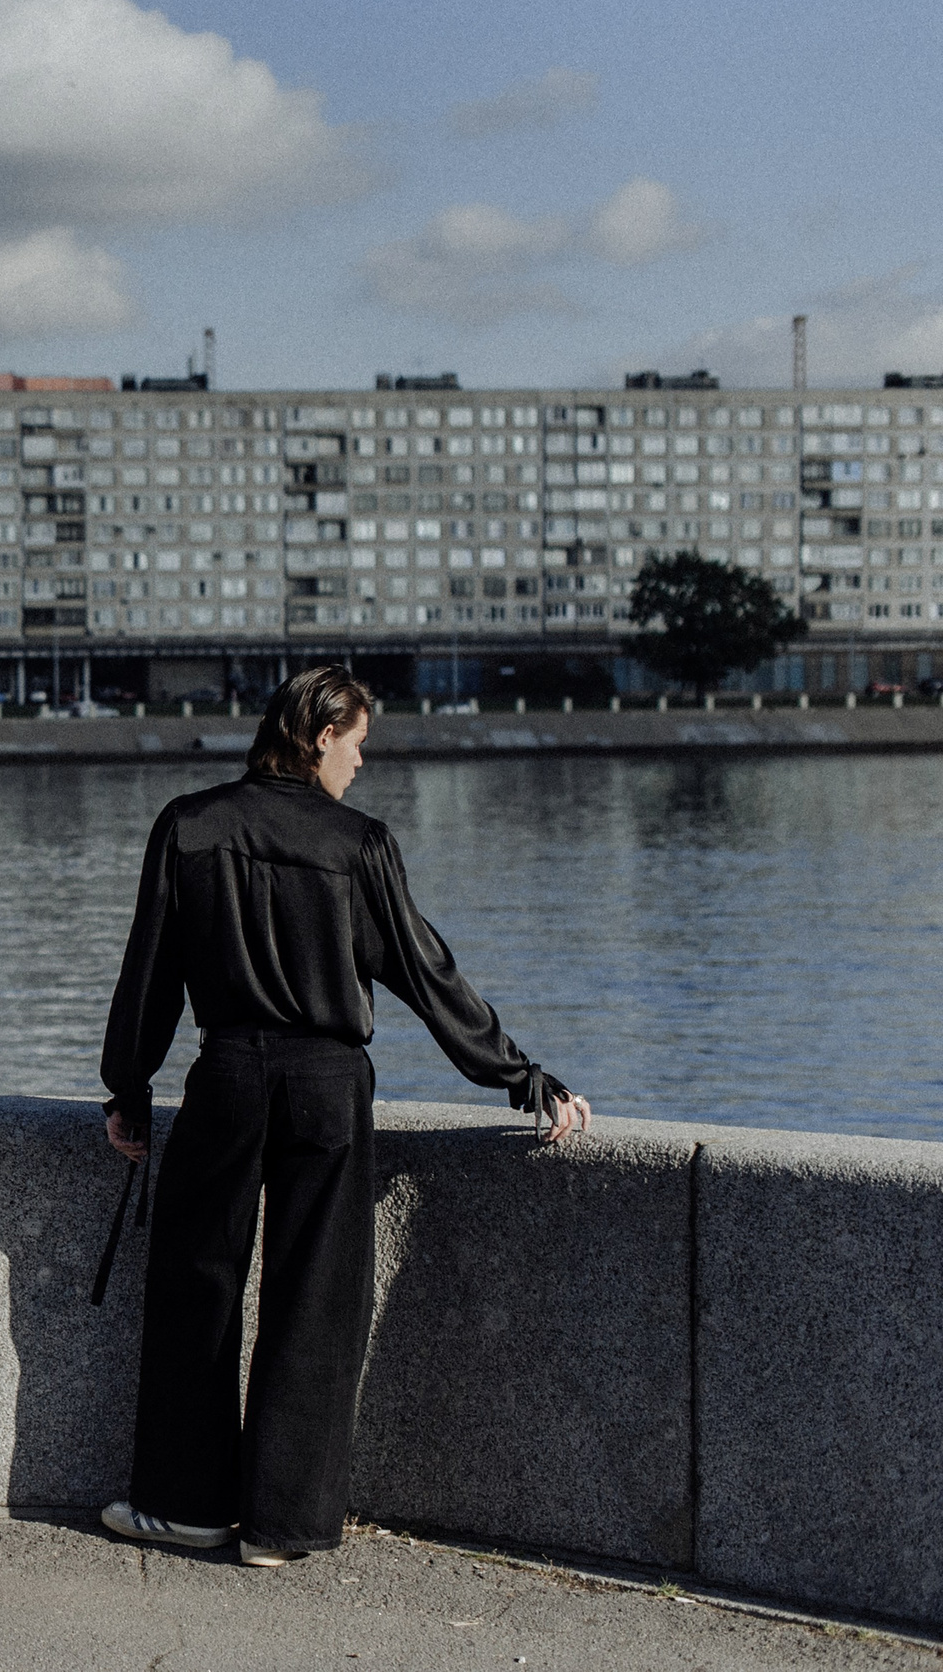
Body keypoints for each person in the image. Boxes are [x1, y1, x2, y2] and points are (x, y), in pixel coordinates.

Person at [95, 666, 588, 1568]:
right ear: (320, 734)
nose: (362, 763)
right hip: (327, 1085)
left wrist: (129, 1090)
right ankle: (284, 1528)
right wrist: (523, 1077)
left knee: (196, 1287)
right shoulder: (358, 844)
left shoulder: (189, 826)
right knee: (316, 1297)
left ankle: (187, 1507)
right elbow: (426, 973)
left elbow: (149, 978)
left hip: (229, 1076)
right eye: (357, 742)